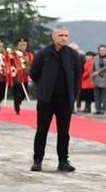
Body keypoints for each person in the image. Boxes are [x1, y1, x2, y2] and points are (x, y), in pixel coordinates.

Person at [29, 27, 82, 172]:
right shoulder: (43, 53)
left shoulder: (73, 55)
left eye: (66, 35)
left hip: (65, 100)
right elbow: (33, 73)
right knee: (42, 130)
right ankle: (37, 160)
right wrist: (44, 86)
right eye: (61, 35)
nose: (64, 38)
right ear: (54, 37)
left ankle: (63, 161)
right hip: (46, 99)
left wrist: (73, 94)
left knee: (64, 132)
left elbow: (77, 76)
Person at [8, 38, 34, 115]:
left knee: (24, 94)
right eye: (21, 45)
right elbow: (9, 64)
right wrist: (13, 74)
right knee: (17, 93)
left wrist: (29, 69)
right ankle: (17, 109)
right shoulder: (13, 54)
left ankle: (18, 102)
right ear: (18, 45)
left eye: (24, 45)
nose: (23, 46)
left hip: (25, 77)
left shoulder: (29, 55)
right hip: (16, 77)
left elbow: (31, 65)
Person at [91, 45, 106, 114]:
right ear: (98, 51)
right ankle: (97, 109)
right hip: (97, 79)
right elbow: (93, 69)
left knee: (104, 96)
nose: (102, 52)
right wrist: (92, 79)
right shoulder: (96, 58)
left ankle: (103, 109)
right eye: (101, 50)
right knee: (96, 96)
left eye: (103, 50)